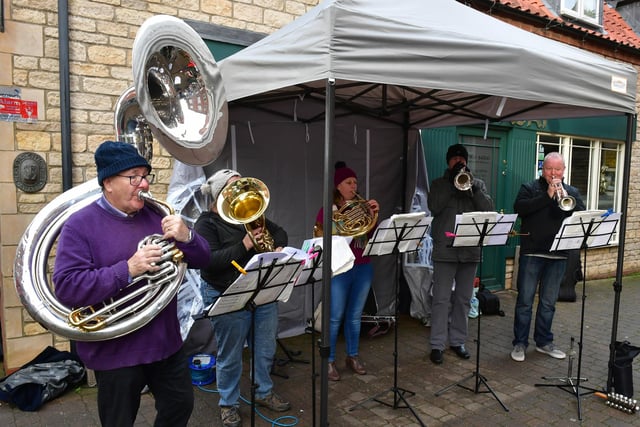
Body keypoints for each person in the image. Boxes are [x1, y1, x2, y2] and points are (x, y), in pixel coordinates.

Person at [53, 140, 210, 427]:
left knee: (180, 407)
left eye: (145, 176)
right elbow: (66, 286)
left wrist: (188, 237)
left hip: (165, 342)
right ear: (108, 182)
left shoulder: (159, 215)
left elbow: (204, 258)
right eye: (134, 177)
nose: (145, 184)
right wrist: (127, 269)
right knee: (118, 421)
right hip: (116, 350)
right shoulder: (80, 225)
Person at [196, 169, 291, 427]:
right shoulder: (206, 223)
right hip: (227, 292)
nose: (241, 193)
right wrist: (246, 245)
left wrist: (279, 246)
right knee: (230, 354)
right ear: (218, 197)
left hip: (261, 291)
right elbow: (210, 262)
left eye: (242, 187)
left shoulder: (249, 216)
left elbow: (280, 232)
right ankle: (228, 404)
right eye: (233, 188)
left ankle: (263, 392)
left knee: (264, 346)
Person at [511, 152, 585, 362]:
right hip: (532, 251)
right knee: (525, 301)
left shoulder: (571, 191)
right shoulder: (529, 188)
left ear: (564, 170)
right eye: (549, 169)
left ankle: (543, 342)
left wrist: (561, 196)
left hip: (559, 254)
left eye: (557, 169)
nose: (554, 173)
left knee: (548, 303)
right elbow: (520, 209)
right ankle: (520, 343)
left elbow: (580, 212)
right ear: (542, 170)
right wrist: (547, 196)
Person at [313, 161, 380, 381]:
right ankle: (329, 360)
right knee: (334, 317)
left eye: (355, 182)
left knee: (354, 316)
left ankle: (352, 356)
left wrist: (374, 216)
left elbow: (371, 237)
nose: (354, 186)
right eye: (349, 182)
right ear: (338, 186)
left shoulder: (362, 207)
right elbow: (324, 238)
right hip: (340, 267)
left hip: (363, 266)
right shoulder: (327, 209)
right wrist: (346, 223)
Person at [427, 144, 493, 365]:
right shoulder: (438, 184)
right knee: (441, 300)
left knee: (464, 300)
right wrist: (451, 185)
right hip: (445, 250)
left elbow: (488, 209)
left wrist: (471, 186)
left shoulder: (477, 183)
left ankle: (457, 341)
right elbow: (434, 207)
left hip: (470, 250)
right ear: (448, 162)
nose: (458, 162)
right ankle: (437, 344)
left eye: (461, 159)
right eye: (454, 159)